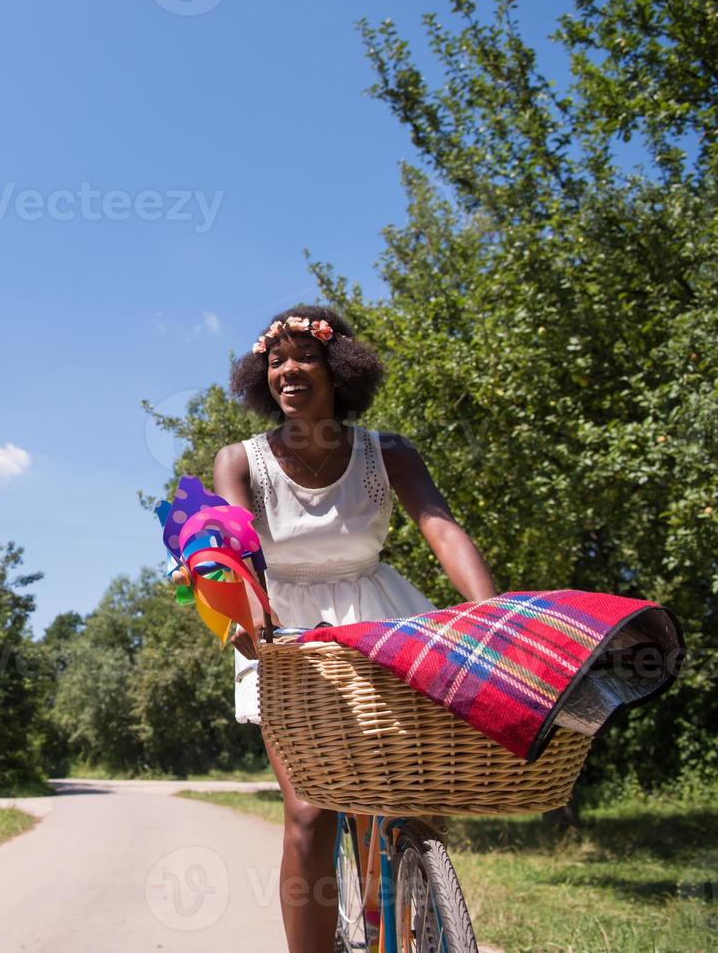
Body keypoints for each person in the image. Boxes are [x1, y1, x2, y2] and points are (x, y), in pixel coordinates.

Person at [212, 306, 496, 952]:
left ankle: (407, 911)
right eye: (274, 360)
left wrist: (489, 611)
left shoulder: (385, 452)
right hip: (284, 634)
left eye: (302, 357)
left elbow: (441, 527)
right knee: (309, 814)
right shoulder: (238, 460)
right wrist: (246, 614)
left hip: (382, 624)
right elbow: (234, 551)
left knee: (410, 794)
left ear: (337, 369)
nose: (287, 370)